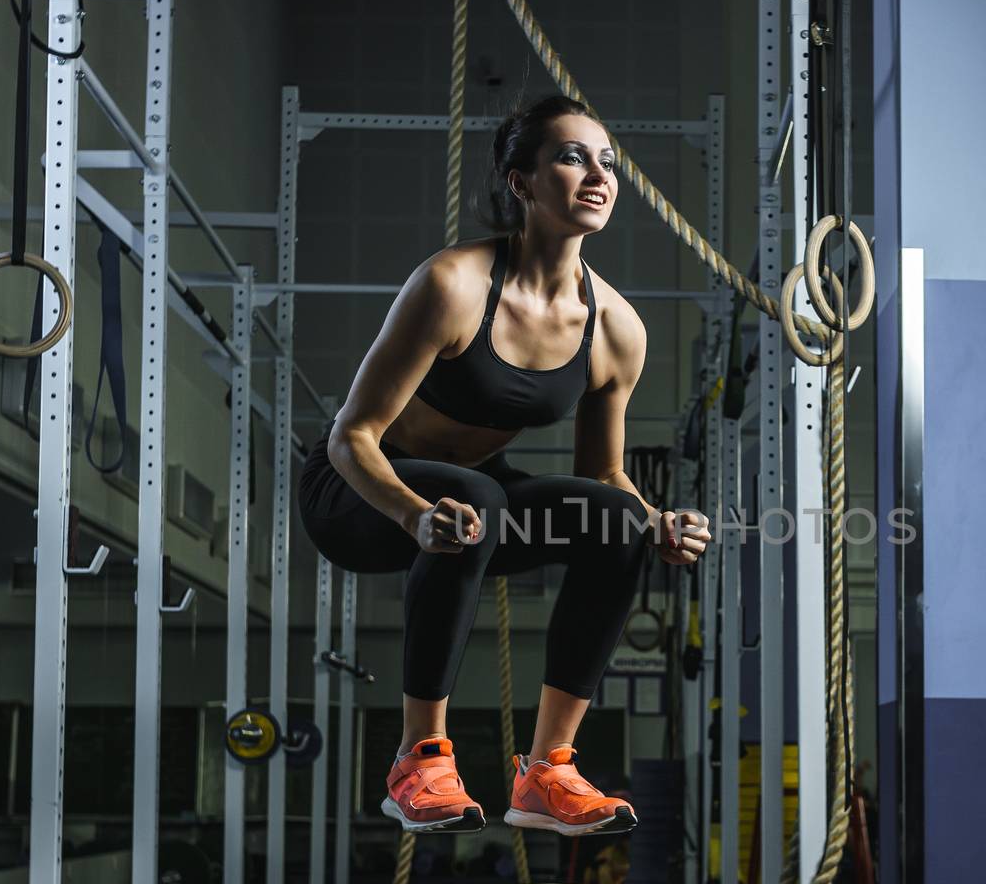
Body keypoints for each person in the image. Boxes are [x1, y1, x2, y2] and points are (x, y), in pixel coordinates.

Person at [299, 94, 712, 838]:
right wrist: (412, 512)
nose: (598, 175)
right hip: (359, 493)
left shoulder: (617, 329)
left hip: (467, 510)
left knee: (612, 519)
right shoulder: (453, 285)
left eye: (608, 161)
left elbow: (604, 477)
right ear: (520, 183)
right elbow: (348, 436)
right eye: (571, 156)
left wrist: (657, 523)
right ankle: (418, 759)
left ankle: (548, 770)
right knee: (474, 493)